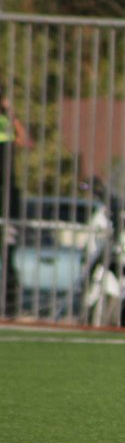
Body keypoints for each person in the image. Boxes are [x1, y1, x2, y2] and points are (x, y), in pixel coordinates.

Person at [0, 85, 31, 316]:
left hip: (7, 195)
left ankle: (9, 305)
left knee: (9, 251)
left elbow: (25, 142)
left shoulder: (5, 123)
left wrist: (11, 114)